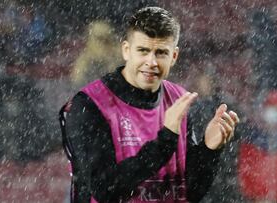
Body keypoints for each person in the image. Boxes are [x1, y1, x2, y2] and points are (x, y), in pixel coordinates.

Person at [59, 7, 239, 203]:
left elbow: (189, 192)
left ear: (174, 57)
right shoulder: (90, 104)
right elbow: (104, 190)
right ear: (126, 50)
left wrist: (209, 150)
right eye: (143, 51)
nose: (151, 62)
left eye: (161, 53)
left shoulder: (179, 99)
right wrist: (166, 139)